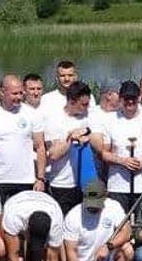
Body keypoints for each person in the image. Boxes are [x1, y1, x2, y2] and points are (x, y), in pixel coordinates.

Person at [0, 75, 46, 201]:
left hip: (26, 181)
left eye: (21, 93)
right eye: (14, 94)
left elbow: (40, 147)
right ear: (2, 92)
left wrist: (40, 178)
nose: (19, 97)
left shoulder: (32, 114)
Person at [43, 81, 101, 211]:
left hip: (88, 181)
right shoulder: (54, 120)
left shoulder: (91, 116)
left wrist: (87, 132)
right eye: (83, 105)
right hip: (62, 183)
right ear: (71, 101)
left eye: (88, 104)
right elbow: (53, 154)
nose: (86, 108)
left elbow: (100, 147)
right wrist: (71, 138)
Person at [0, 188, 66, 261]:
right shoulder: (14, 217)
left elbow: (52, 259)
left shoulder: (56, 221)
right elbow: (12, 256)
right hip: (16, 205)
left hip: (47, 205)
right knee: (17, 259)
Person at [61, 179, 132, 261]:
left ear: (105, 196)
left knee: (128, 250)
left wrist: (108, 246)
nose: (93, 206)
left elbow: (127, 231)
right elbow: (71, 253)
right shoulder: (73, 216)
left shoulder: (114, 206)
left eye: (96, 202)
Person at [97, 80, 142, 210]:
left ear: (139, 98)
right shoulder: (110, 120)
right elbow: (104, 153)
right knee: (120, 224)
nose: (130, 101)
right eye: (126, 98)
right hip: (117, 185)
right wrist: (123, 161)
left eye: (133, 98)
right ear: (120, 98)